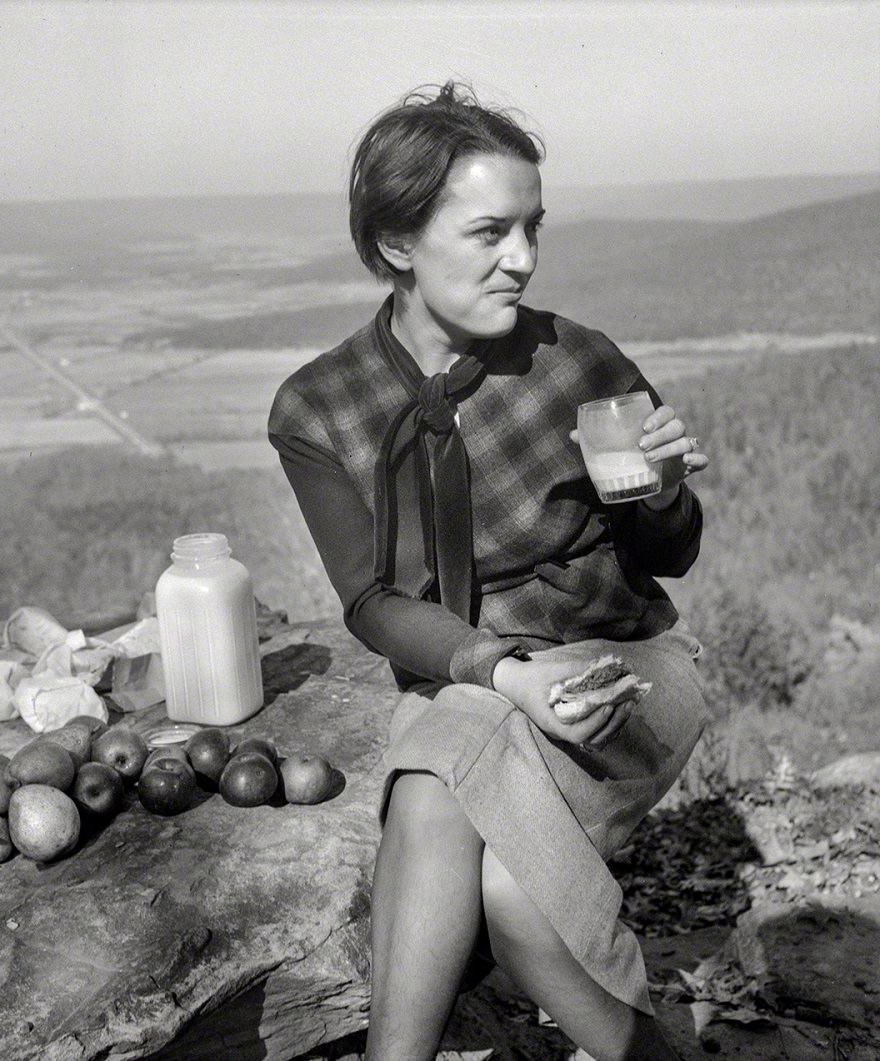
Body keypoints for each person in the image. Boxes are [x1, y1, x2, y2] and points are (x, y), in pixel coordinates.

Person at [268, 82, 710, 1061]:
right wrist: (505, 672)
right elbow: (372, 602)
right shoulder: (319, 406)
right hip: (478, 679)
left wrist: (657, 493)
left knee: (495, 861)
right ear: (395, 242)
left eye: (532, 228)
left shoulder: (579, 363)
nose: (524, 258)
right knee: (494, 862)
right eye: (488, 232)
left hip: (620, 666)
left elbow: (669, 551)